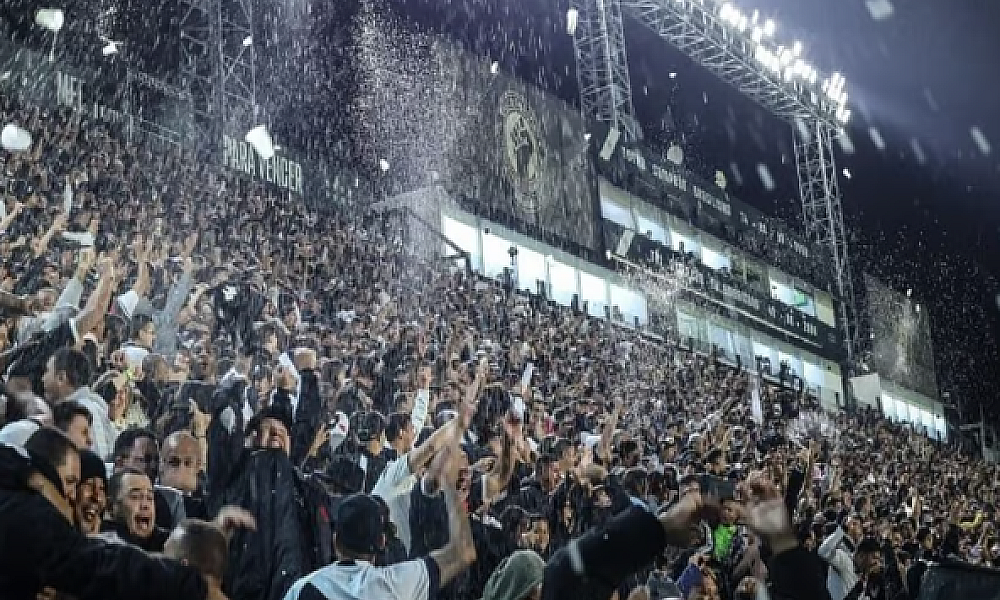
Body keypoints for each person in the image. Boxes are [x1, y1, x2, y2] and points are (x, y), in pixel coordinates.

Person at [0, 428, 224, 600]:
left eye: (149, 497)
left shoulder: (16, 491)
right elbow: (98, 566)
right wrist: (192, 586)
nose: (70, 496)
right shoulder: (25, 513)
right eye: (70, 482)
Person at [283, 445, 477, 600]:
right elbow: (462, 553)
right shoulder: (396, 584)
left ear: (335, 540)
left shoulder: (303, 588)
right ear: (382, 542)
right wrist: (453, 493)